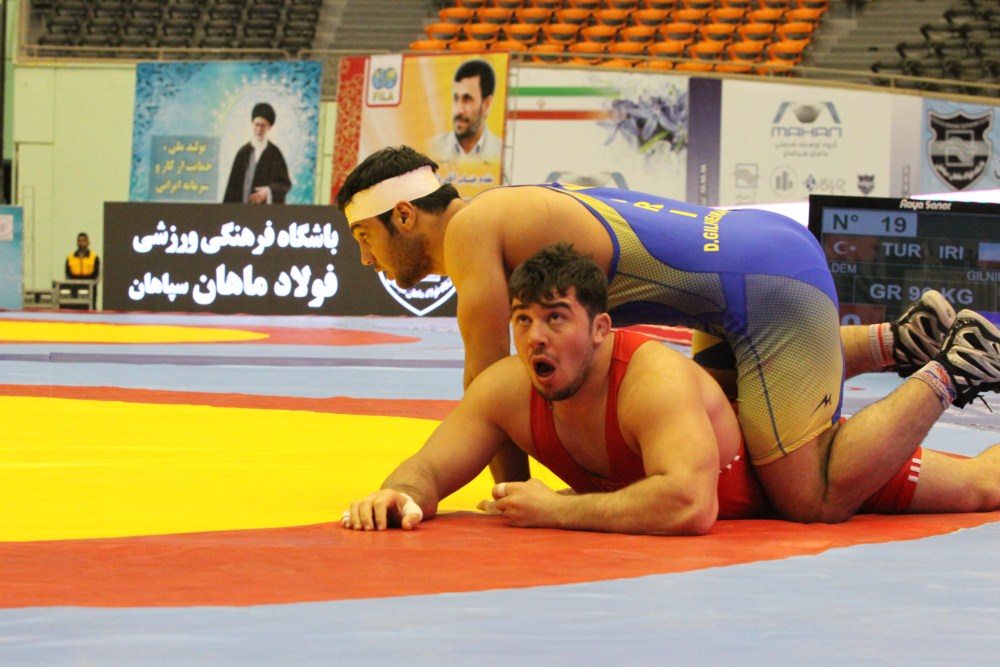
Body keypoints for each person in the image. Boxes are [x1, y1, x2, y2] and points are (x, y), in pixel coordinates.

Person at [336, 145, 1000, 524]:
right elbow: (500, 402)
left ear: (404, 215)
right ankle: (895, 341)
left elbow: (487, 386)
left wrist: (512, 500)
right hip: (744, 269)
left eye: (365, 238)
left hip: (764, 289)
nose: (366, 259)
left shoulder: (468, 232)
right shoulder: (502, 207)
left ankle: (953, 366)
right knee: (718, 417)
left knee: (810, 495)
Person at [426, 60, 502, 166]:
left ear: (486, 105)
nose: (458, 110)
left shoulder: (501, 153)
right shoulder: (432, 149)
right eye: (456, 98)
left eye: (467, 99)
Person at [223, 102, 292, 204]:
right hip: (242, 211)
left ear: (269, 127)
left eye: (263, 126)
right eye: (257, 125)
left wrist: (267, 192)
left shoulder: (275, 154)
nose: (259, 129)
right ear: (252, 124)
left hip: (265, 212)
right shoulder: (242, 153)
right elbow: (232, 188)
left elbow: (284, 184)